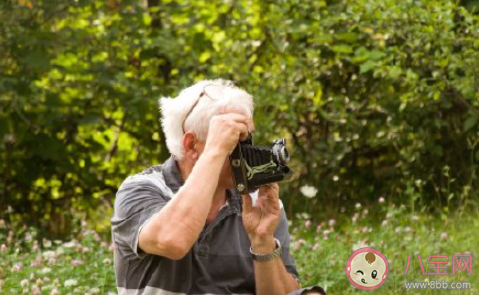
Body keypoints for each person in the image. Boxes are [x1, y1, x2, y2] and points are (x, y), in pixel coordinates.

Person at [111, 79, 326, 295]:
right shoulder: (140, 189)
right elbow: (172, 241)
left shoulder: (257, 203)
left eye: (248, 139)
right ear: (191, 145)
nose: (246, 152)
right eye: (235, 141)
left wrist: (263, 241)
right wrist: (216, 150)